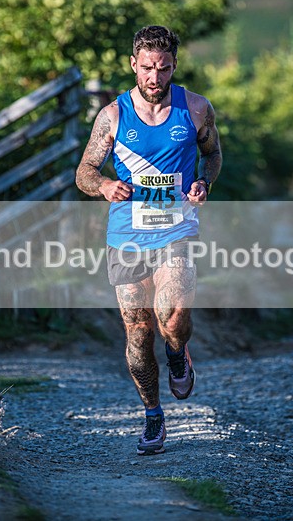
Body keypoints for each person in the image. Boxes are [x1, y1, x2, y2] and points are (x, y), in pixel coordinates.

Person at [75, 25, 222, 455]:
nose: (155, 77)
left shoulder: (195, 109)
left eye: (163, 68)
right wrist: (103, 186)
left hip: (176, 229)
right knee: (138, 332)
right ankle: (153, 416)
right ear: (133, 65)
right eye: (147, 68)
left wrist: (203, 183)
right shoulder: (113, 116)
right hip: (127, 234)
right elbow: (84, 170)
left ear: (174, 65)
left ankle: (178, 352)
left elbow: (212, 155)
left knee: (171, 317)